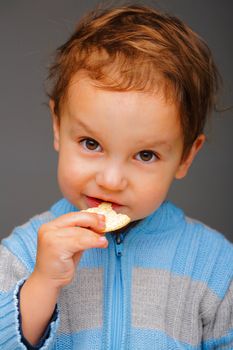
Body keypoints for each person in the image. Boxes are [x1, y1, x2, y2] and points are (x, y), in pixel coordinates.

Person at [0, 4, 232, 349]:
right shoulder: (23, 252)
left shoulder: (216, 265)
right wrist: (42, 284)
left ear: (185, 157)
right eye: (91, 143)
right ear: (58, 127)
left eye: (145, 155)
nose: (110, 180)